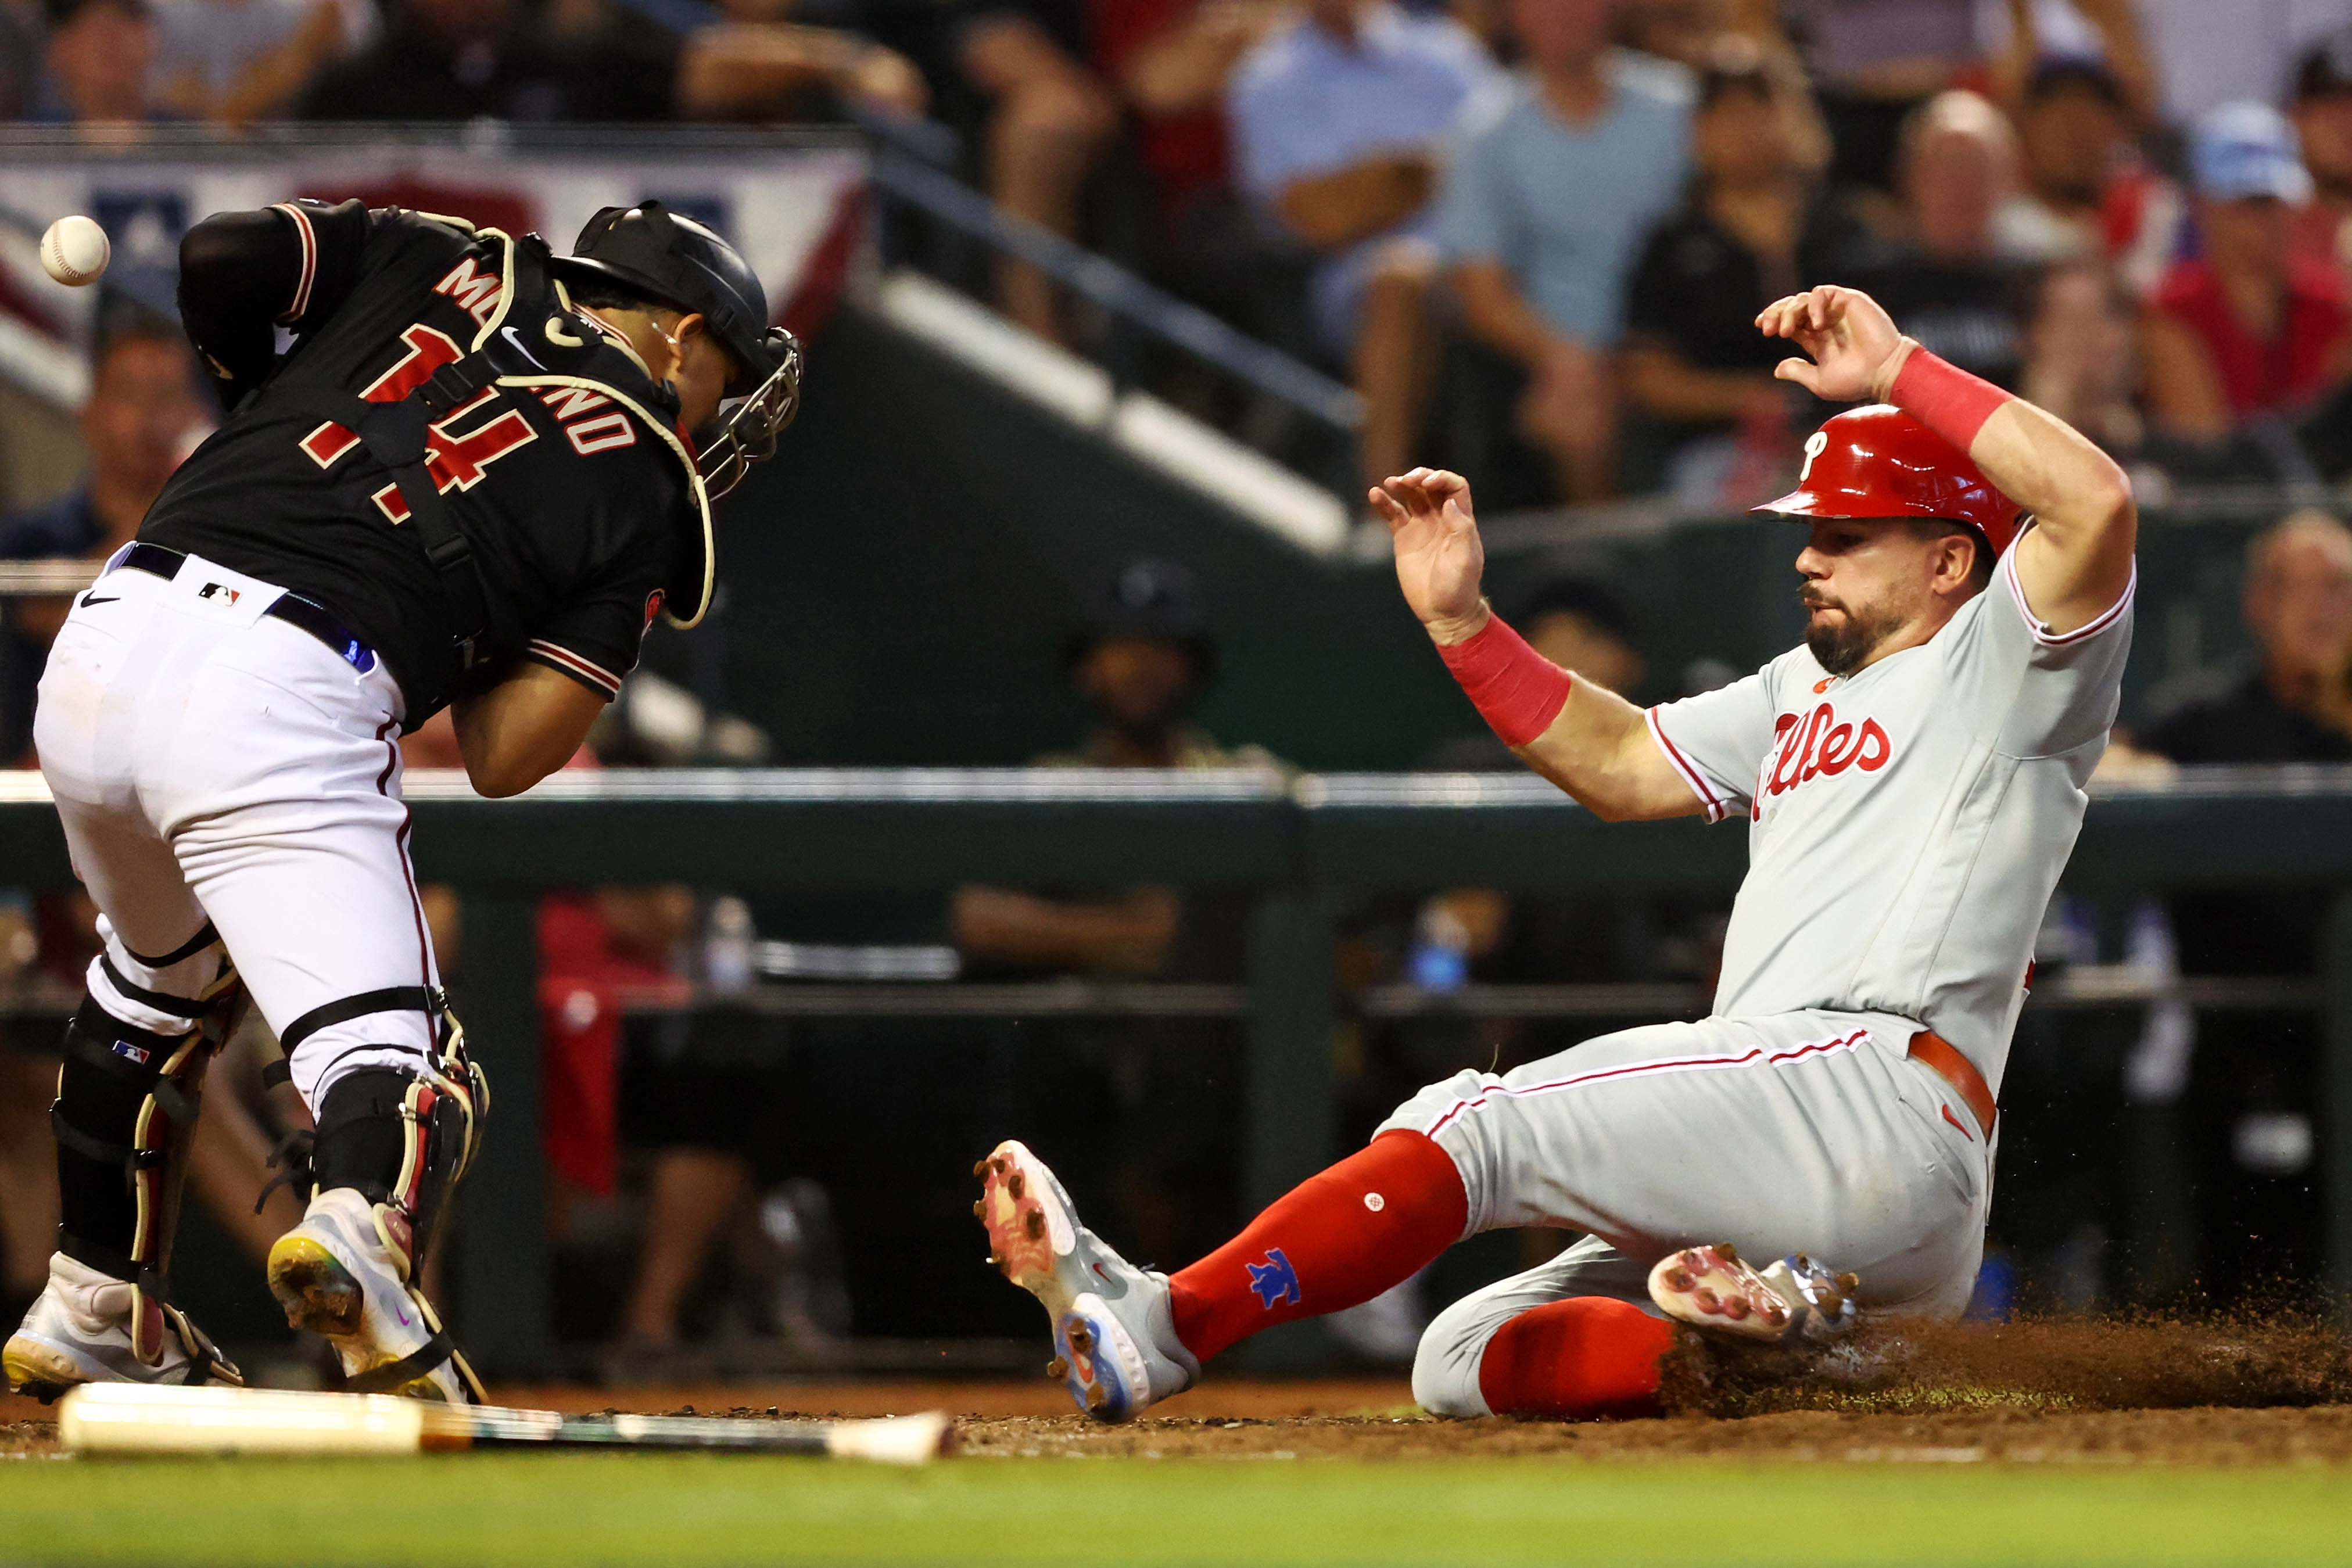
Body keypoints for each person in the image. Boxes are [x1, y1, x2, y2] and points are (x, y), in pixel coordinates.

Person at [980, 278, 2137, 1424]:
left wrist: (1895, 373)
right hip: (1831, 1170)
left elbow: (2091, 501)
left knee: (1467, 1122)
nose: (1807, 556)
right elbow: (1622, 760)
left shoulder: (2009, 663)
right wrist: (1463, 627)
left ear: (1945, 560)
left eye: (1843, 535)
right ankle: (1798, 1350)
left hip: (1873, 1083)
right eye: (1806, 532)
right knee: (1456, 1353)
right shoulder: (1798, 687)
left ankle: (1169, 1320)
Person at [2, 198, 804, 1404]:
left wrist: (257, 405)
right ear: (683, 336)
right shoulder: (643, 473)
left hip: (107, 640)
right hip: (282, 690)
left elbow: (222, 253)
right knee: (405, 1057)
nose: (715, 407)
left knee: (161, 977)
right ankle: (362, 1235)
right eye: (723, 374)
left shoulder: (445, 254)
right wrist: (491, 601)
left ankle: (94, 1293)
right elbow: (505, 753)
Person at [2134, 512, 2352, 1300]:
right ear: (2260, 602)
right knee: (2245, 1268)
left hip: (2346, 1044)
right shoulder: (2207, 721)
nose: (2326, 609)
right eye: (2305, 588)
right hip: (2243, 1043)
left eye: (2342, 588)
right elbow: (2117, 766)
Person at [1227, 0, 1495, 492]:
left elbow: (1505, 167)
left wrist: (1383, 182)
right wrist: (1430, 173)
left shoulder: (1446, 52)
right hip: (1352, 285)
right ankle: (1391, 506)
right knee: (1397, 277)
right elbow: (1319, 219)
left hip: (1488, 258)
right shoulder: (1268, 77)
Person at [1439, 0, 1693, 503]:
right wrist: (1565, 358)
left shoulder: (1682, 104)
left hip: (1680, 333)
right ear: (1513, 15)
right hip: (1560, 346)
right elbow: (1482, 292)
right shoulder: (1483, 131)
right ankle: (1610, 565)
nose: (1567, 12)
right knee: (1574, 408)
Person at [1622, 39, 1847, 506]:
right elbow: (1648, 378)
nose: (1744, 126)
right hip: (1724, 449)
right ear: (1698, 129)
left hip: (1852, 434)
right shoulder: (1672, 246)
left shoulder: (1848, 229)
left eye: (1760, 105)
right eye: (1725, 111)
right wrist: (1744, 398)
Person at [2145, 102, 2352, 442]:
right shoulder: (2172, 311)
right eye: (2246, 203)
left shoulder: (2334, 305)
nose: (2265, 222)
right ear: (2202, 206)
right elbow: (2212, 452)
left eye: (2274, 200)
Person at [1840, 90, 2033, 389]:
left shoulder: (2038, 287)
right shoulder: (1862, 286)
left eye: (1978, 167)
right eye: (1949, 167)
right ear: (1909, 177)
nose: (1964, 184)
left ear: (2010, 181)